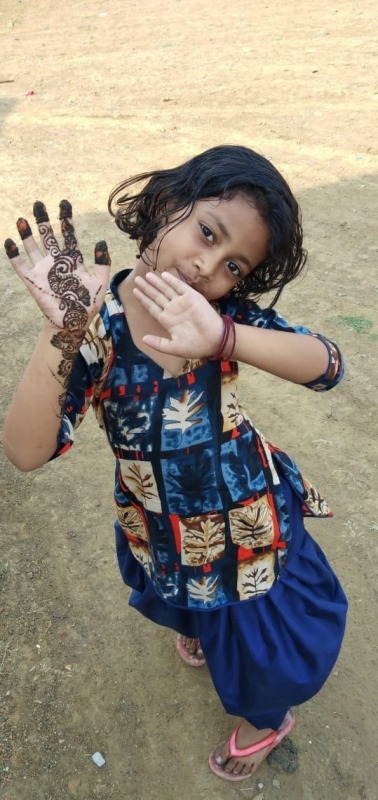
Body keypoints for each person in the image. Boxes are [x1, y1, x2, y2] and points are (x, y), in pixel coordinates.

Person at [3, 145, 347, 782]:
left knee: (261, 650)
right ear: (164, 204)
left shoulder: (218, 317)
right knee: (191, 602)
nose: (206, 266)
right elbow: (26, 451)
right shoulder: (96, 329)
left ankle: (268, 720)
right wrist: (64, 332)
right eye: (206, 232)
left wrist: (223, 337)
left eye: (232, 265)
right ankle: (202, 629)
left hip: (251, 527)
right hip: (163, 525)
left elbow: (327, 365)